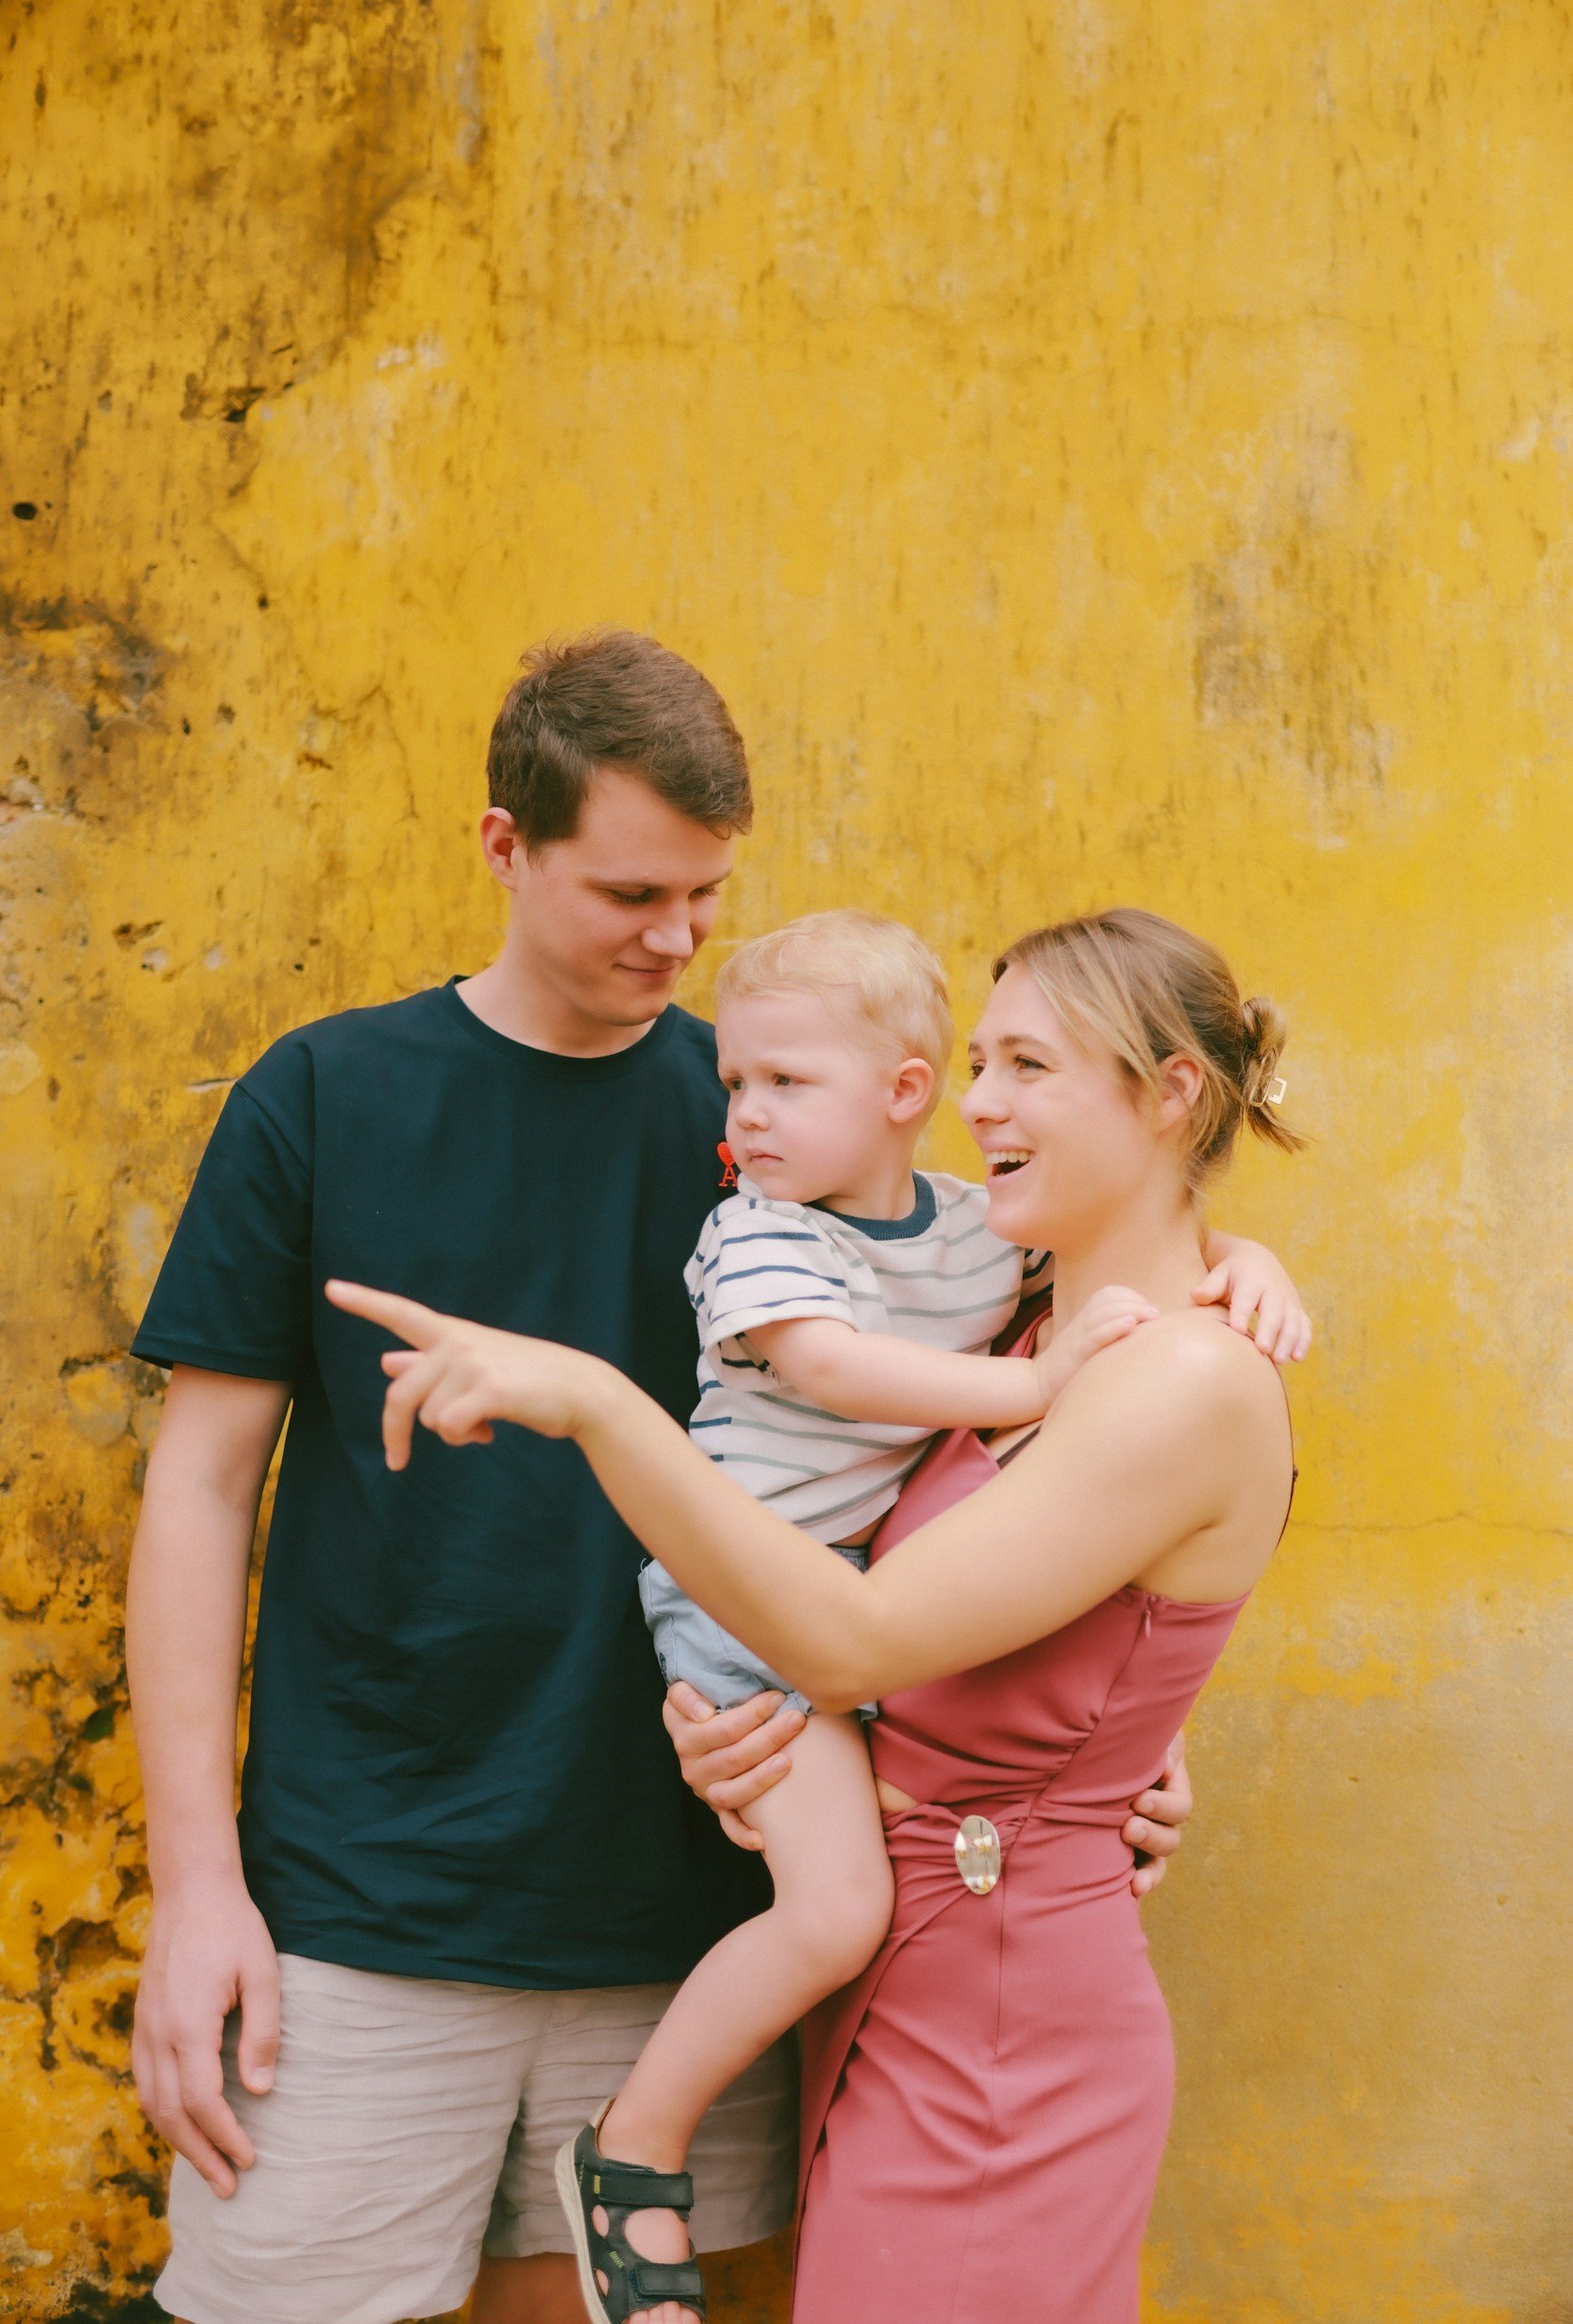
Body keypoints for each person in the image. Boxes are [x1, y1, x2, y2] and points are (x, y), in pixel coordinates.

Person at [124, 631, 1196, 2324]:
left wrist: (1117, 1736)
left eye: (706, 894)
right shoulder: (325, 1095)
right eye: (631, 892)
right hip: (357, 1914)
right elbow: (198, 1493)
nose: (679, 940)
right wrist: (194, 1891)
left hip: (706, 1915)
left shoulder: (781, 1107)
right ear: (504, 847)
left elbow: (1013, 1433)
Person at [330, 905, 1306, 2324]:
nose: (980, 1103)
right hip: (900, 1991)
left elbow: (857, 1636)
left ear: (1171, 1093)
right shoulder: (1026, 1332)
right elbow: (975, 1635)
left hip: (1004, 2031)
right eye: (980, 1062)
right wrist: (768, 1744)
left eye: (1027, 1066)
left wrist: (598, 1404)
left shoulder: (1184, 1379)